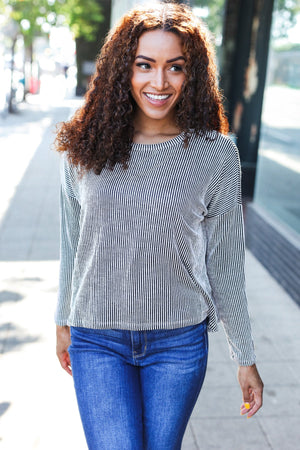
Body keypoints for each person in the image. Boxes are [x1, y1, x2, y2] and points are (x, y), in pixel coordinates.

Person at [55, 2, 263, 449]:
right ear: (121, 69)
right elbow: (73, 241)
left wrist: (244, 356)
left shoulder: (215, 154)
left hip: (179, 344)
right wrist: (61, 319)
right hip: (97, 340)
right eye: (144, 65)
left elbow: (225, 263)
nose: (159, 82)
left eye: (176, 67)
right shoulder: (83, 147)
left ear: (194, 75)